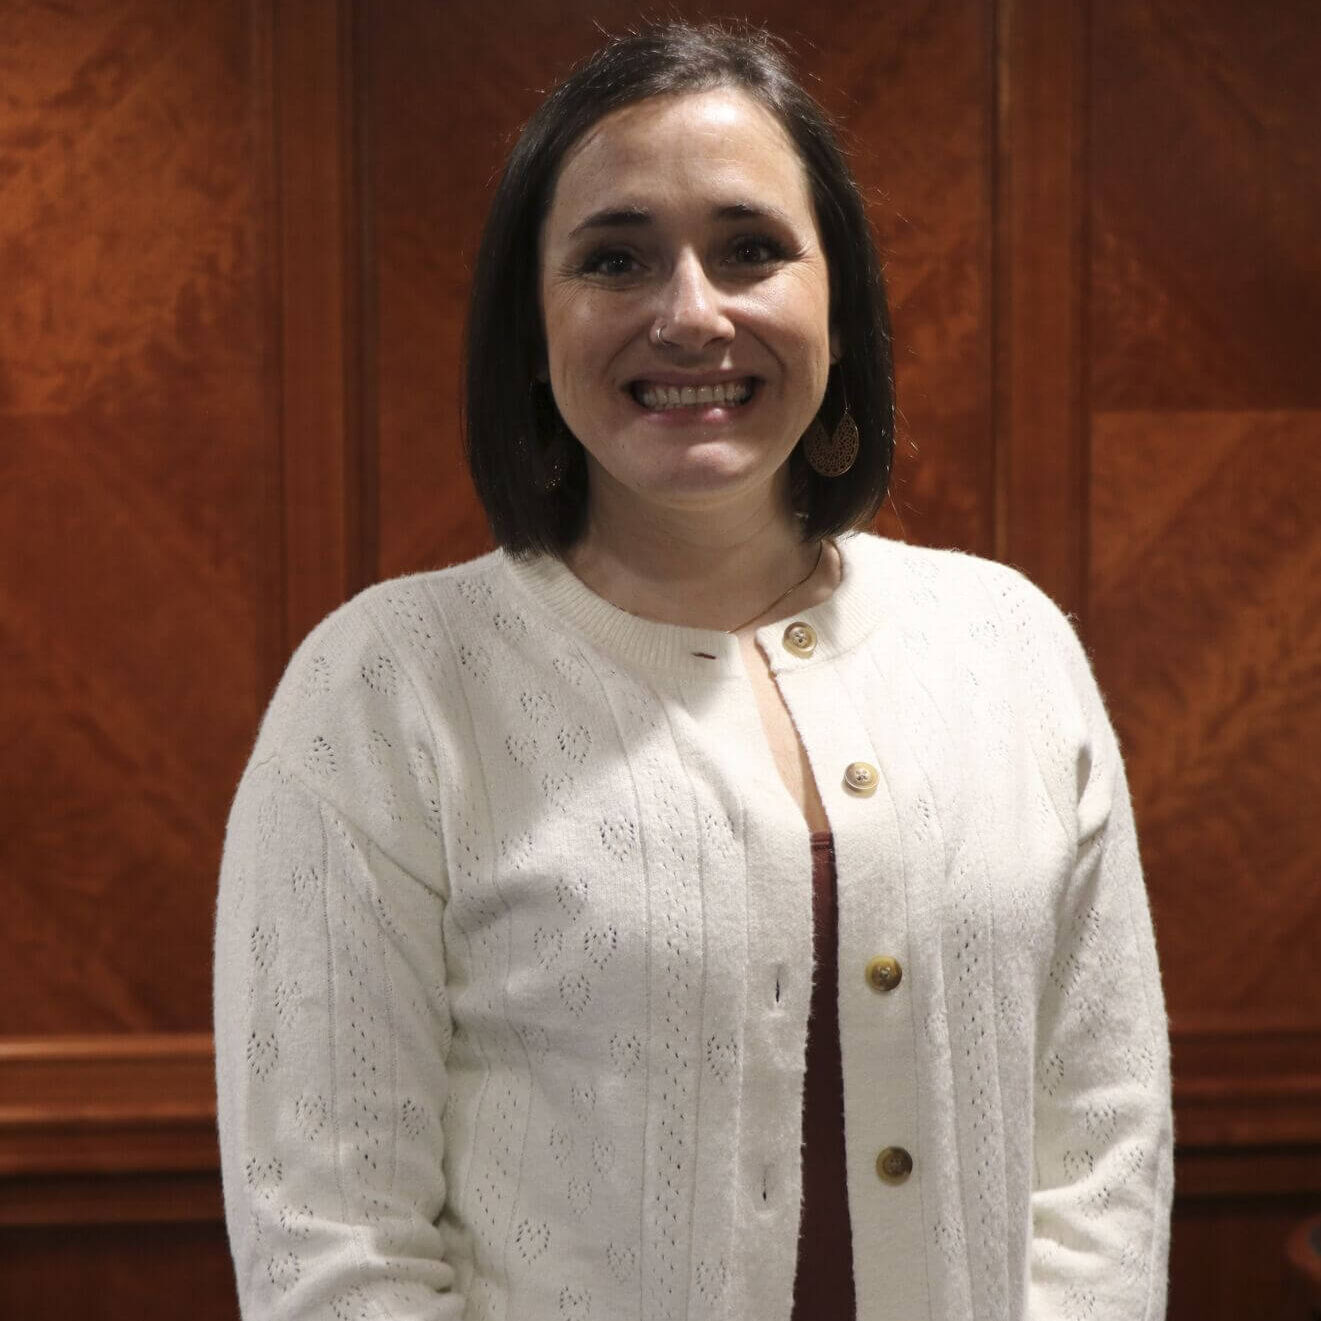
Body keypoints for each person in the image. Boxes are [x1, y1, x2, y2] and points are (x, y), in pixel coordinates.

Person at [214, 21, 1173, 1321]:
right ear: (529, 326)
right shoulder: (385, 692)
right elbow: (332, 1245)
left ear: (837, 301)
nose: (688, 312)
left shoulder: (1007, 646)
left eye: (750, 249)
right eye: (613, 258)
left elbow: (1099, 1160)